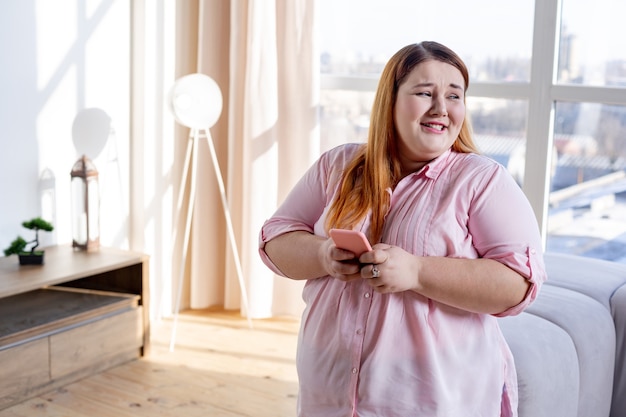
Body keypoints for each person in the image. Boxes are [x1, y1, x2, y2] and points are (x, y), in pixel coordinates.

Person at [258, 41, 546, 417]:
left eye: (454, 95)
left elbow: (519, 285)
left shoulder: (482, 180)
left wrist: (417, 271)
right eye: (425, 93)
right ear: (389, 102)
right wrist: (322, 255)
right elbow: (274, 240)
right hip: (326, 396)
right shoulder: (338, 165)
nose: (441, 108)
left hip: (434, 403)